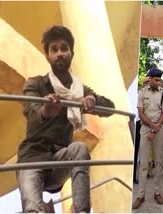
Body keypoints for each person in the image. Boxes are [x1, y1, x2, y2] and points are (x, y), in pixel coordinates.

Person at [16, 25, 115, 213]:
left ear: (71, 53)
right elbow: (30, 112)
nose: (60, 53)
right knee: (32, 210)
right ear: (47, 56)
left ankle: (82, 211)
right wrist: (46, 110)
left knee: (79, 147)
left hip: (58, 159)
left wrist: (93, 100)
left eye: (64, 48)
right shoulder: (36, 83)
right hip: (32, 158)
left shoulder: (79, 89)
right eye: (54, 49)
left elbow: (110, 108)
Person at [133, 68, 163, 209]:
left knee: (158, 162)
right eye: (156, 80)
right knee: (143, 164)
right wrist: (152, 125)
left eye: (160, 80)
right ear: (150, 79)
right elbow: (141, 113)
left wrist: (156, 127)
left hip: (159, 129)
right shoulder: (142, 93)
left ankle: (157, 192)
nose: (158, 82)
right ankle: (140, 195)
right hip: (146, 129)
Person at [133, 77, 150, 184]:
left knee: (138, 151)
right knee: (133, 151)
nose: (148, 84)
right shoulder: (139, 94)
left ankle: (134, 176)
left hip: (140, 124)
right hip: (132, 122)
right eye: (146, 83)